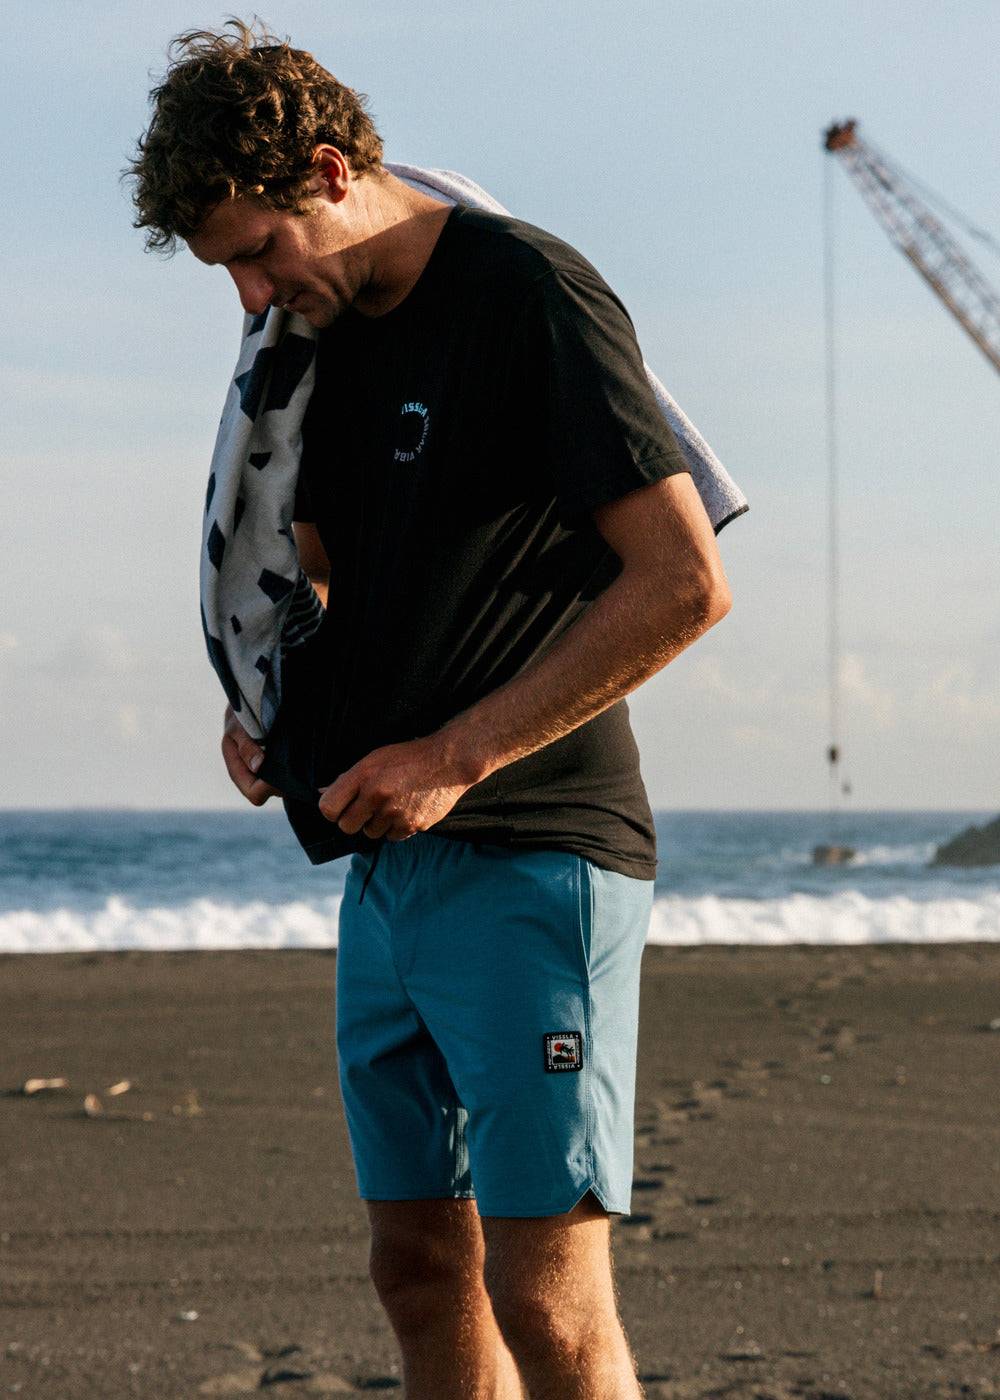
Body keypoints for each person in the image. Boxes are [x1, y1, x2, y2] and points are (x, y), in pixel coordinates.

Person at [129, 21, 734, 1398]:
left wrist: (457, 756)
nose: (248, 297)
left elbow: (685, 584)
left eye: (255, 251)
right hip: (389, 867)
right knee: (414, 1268)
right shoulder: (313, 346)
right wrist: (276, 709)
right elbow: (348, 572)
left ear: (333, 170)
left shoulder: (525, 294)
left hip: (535, 853)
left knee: (545, 1293)